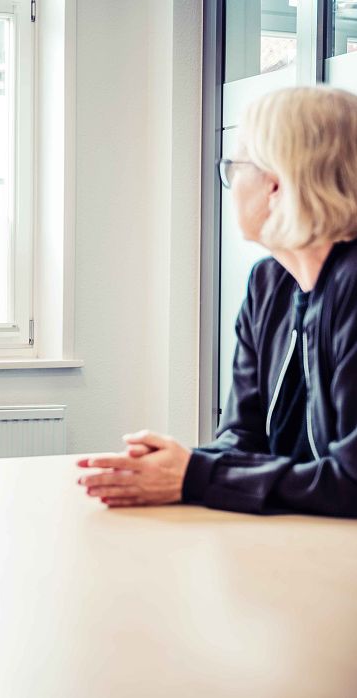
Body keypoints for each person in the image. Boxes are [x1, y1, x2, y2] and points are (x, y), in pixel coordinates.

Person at [78, 85, 357, 517]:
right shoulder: (268, 284)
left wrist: (195, 475)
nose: (228, 183)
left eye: (236, 165)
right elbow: (241, 437)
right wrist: (170, 468)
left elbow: (351, 480)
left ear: (277, 184)